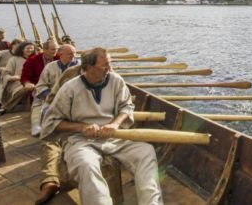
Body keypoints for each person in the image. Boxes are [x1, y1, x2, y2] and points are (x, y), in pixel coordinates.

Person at [41, 47, 162, 205]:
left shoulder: (116, 80)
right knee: (86, 164)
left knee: (146, 151)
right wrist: (81, 127)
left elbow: (126, 107)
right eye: (105, 65)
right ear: (89, 68)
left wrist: (115, 124)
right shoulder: (70, 88)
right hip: (81, 141)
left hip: (114, 137)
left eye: (110, 63)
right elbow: (51, 122)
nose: (109, 69)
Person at [34, 45, 81, 204]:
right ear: (59, 54)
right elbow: (41, 87)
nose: (73, 57)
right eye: (70, 54)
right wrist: (52, 98)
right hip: (54, 106)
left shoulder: (82, 69)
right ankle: (50, 181)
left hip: (78, 112)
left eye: (75, 54)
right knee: (49, 139)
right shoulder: (51, 67)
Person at [22, 39, 59, 136]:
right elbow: (24, 76)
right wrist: (27, 83)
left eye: (57, 49)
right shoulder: (33, 60)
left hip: (56, 88)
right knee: (38, 102)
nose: (56, 52)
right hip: (39, 87)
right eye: (53, 49)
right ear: (45, 50)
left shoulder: (59, 58)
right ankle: (36, 124)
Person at [0, 41, 36, 116]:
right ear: (22, 49)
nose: (29, 50)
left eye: (31, 48)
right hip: (17, 84)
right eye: (27, 48)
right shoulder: (14, 59)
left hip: (33, 83)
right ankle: (6, 107)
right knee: (26, 88)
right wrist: (13, 77)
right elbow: (5, 74)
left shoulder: (36, 59)